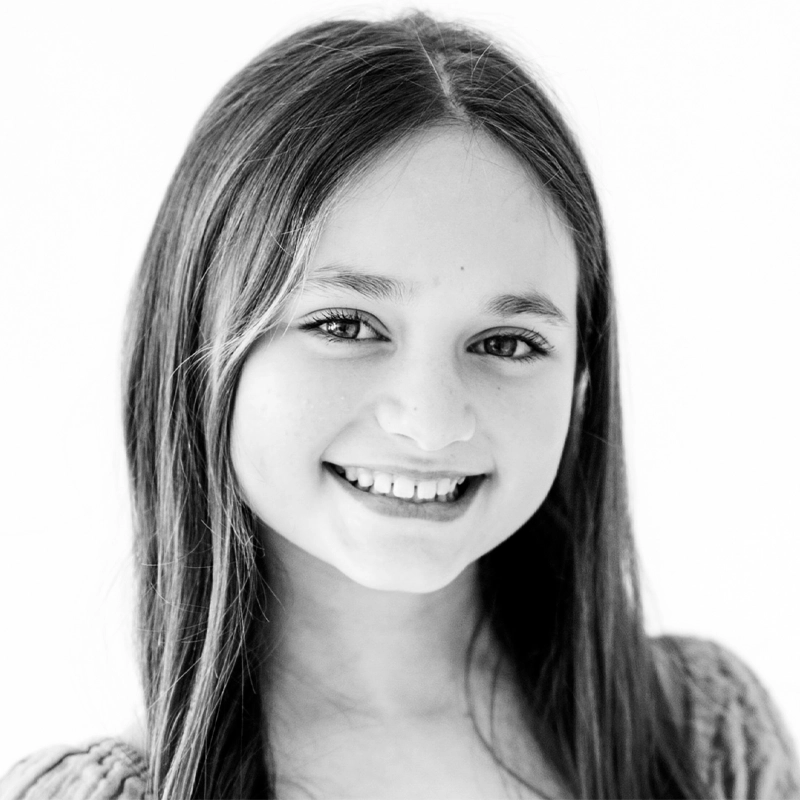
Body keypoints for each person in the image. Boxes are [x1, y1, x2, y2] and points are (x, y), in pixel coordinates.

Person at [1, 11, 798, 800]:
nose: (432, 420)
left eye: (507, 343)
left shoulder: (704, 742)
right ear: (197, 343)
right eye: (345, 325)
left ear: (582, 374)